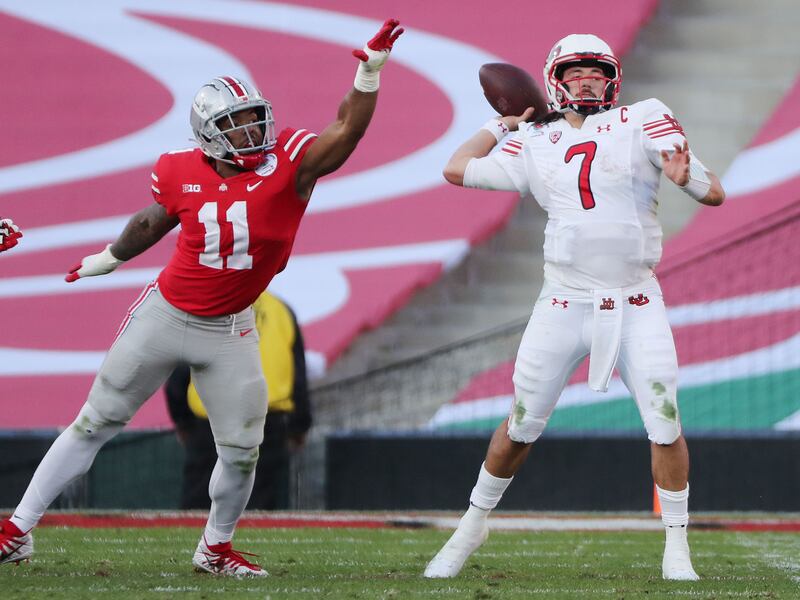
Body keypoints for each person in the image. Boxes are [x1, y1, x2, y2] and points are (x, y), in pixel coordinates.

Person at [0, 19, 403, 576]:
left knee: (242, 448)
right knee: (95, 421)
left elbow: (345, 132)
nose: (252, 131)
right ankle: (17, 529)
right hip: (164, 314)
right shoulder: (178, 169)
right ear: (208, 135)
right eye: (236, 125)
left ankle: (214, 547)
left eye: (254, 118)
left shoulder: (289, 162)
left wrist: (367, 74)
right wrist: (112, 257)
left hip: (229, 328)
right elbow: (153, 219)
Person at [424, 33, 724, 581]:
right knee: (521, 424)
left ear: (612, 77)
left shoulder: (642, 118)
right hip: (563, 300)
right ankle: (472, 524)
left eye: (596, 70)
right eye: (575, 71)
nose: (587, 79)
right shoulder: (534, 140)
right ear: (554, 79)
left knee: (664, 420)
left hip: (635, 300)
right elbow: (456, 167)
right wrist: (504, 122)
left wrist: (690, 179)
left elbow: (712, 192)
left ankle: (676, 546)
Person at [165, 290, 311, 510]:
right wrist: (299, 426)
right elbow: (297, 375)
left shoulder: (207, 307)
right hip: (265, 422)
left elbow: (181, 370)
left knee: (199, 502)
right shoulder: (280, 310)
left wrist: (183, 422)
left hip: (211, 421)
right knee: (256, 503)